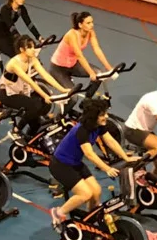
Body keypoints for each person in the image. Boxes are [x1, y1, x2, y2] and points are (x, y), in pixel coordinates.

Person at [48, 98, 136, 229]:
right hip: (61, 165)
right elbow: (89, 154)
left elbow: (110, 141)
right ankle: (58, 212)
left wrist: (125, 157)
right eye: (102, 114)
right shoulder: (82, 130)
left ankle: (89, 220)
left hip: (75, 163)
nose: (106, 116)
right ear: (93, 116)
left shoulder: (98, 126)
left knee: (96, 192)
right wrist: (107, 168)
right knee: (85, 194)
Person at [0, 35, 69, 137]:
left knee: (44, 106)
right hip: (8, 94)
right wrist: (45, 96)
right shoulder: (14, 63)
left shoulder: (32, 59)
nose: (33, 49)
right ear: (22, 49)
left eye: (33, 47)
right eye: (29, 47)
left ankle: (32, 131)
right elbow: (30, 82)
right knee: (34, 106)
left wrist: (62, 89)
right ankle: (16, 130)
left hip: (22, 90)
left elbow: (45, 75)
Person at [49, 11, 114, 98]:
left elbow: (97, 49)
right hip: (58, 68)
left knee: (99, 74)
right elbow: (79, 55)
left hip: (73, 65)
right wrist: (90, 73)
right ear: (80, 25)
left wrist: (109, 67)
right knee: (73, 97)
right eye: (88, 23)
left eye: (92, 22)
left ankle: (87, 100)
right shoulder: (72, 35)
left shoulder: (90, 32)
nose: (92, 25)